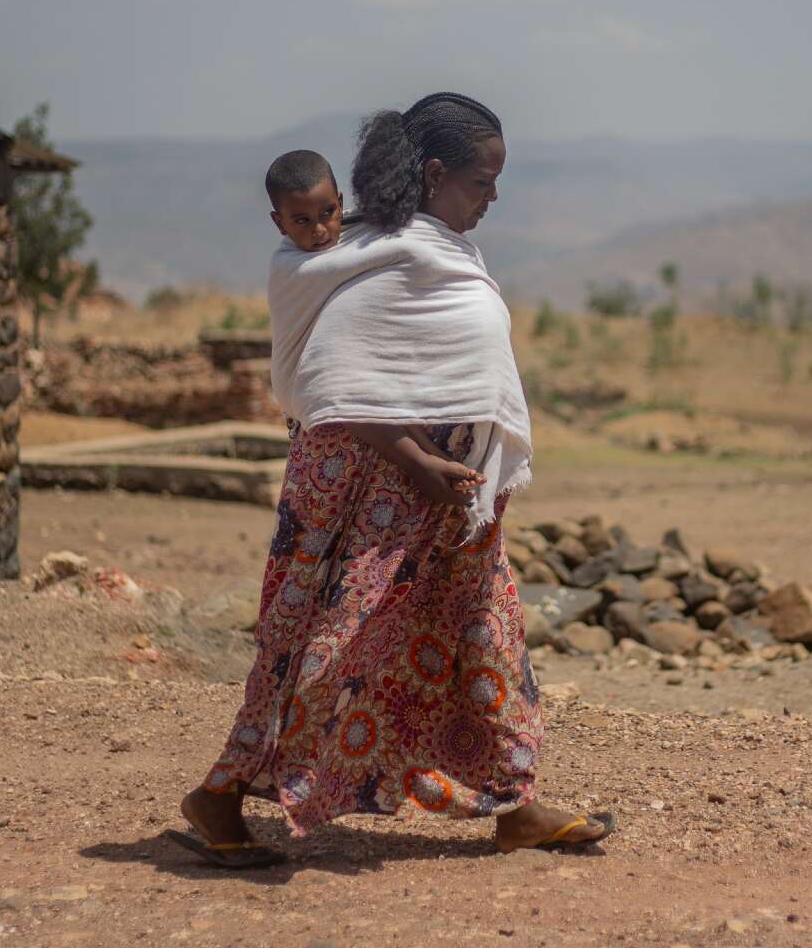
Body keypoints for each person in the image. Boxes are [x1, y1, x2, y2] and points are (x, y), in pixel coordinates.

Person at [170, 94, 614, 867]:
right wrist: (415, 460)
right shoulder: (372, 256)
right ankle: (221, 792)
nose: (495, 196)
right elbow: (329, 385)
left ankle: (515, 803)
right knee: (319, 644)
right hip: (366, 493)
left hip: (449, 499)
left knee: (487, 631)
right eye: (484, 180)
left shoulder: (429, 247)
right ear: (436, 174)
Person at [264, 148, 483, 507]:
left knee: (378, 393)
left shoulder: (351, 240)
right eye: (301, 221)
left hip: (365, 399)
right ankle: (425, 461)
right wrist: (414, 245)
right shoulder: (291, 267)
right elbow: (382, 253)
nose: (320, 230)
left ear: (340, 202)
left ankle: (435, 459)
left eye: (328, 213)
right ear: (279, 223)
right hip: (320, 407)